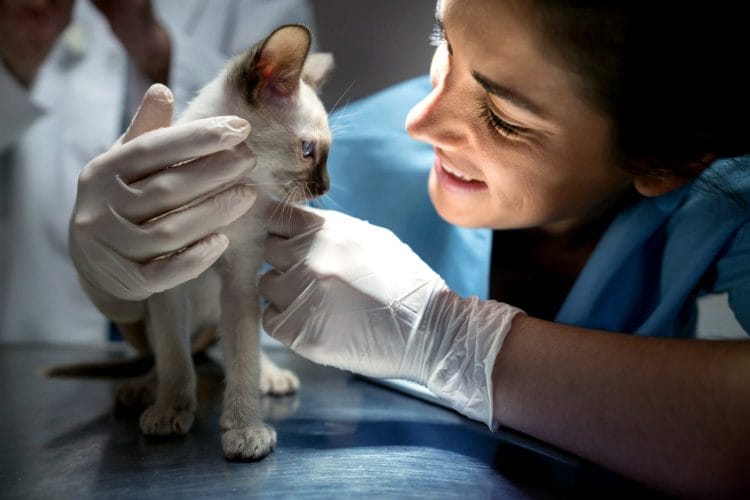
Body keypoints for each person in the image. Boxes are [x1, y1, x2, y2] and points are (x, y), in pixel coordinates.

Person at [67, 0, 749, 497]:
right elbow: (177, 306)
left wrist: (452, 339)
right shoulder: (356, 151)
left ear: (671, 162)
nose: (421, 121)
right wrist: (117, 277)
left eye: (504, 118)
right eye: (442, 41)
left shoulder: (724, 196)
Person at [0, 0, 316, 343]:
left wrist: (153, 46)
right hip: (45, 322)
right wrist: (16, 65)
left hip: (216, 326)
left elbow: (293, 130)